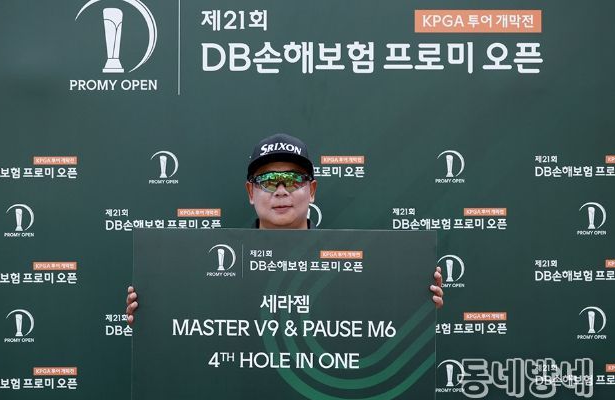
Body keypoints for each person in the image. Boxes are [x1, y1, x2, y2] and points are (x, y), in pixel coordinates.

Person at [126, 133, 443, 324]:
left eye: (292, 180)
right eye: (267, 181)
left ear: (312, 190)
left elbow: (379, 331)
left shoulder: (352, 267)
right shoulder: (211, 268)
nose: (280, 191)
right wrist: (153, 318)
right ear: (251, 193)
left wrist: (418, 308)